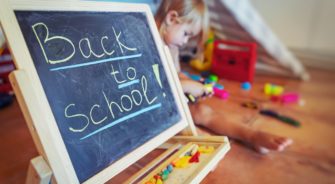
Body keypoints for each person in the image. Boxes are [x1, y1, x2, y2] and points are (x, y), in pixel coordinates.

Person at [155, 0, 293, 154]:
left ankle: (251, 135)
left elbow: (176, 74)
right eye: (186, 34)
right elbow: (154, 91)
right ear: (172, 18)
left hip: (174, 103)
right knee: (178, 122)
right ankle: (193, 137)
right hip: (156, 110)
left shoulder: (172, 45)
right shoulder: (147, 44)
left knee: (202, 111)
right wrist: (187, 86)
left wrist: (194, 84)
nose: (185, 41)